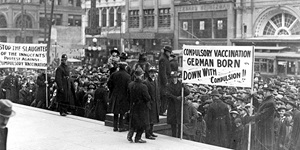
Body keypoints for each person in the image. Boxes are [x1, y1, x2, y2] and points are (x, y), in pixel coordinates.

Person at [127, 67, 151, 143]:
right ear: (141, 76)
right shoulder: (143, 86)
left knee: (133, 122)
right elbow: (147, 98)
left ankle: (130, 134)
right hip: (142, 107)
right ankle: (138, 138)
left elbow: (127, 95)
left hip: (133, 106)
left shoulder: (130, 85)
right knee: (142, 123)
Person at [107, 62, 131, 132]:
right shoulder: (127, 76)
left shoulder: (114, 74)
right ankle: (121, 126)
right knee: (122, 112)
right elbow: (128, 87)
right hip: (123, 96)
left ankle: (115, 127)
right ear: (125, 67)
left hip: (115, 95)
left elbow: (109, 84)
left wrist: (112, 90)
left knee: (115, 111)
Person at [166, 71, 190, 138]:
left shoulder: (180, 85)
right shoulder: (168, 85)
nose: (174, 79)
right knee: (173, 122)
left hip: (180, 105)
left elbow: (187, 93)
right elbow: (167, 94)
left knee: (180, 121)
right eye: (173, 77)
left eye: (175, 77)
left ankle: (179, 135)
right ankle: (174, 136)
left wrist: (184, 87)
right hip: (172, 105)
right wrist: (176, 98)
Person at [143, 66, 160, 140]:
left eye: (154, 72)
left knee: (153, 119)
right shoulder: (146, 82)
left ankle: (151, 132)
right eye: (152, 72)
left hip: (155, 102)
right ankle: (147, 133)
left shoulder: (155, 81)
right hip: (150, 103)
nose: (153, 74)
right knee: (149, 119)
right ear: (149, 73)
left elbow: (157, 92)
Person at [158, 45, 172, 116]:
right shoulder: (163, 59)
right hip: (164, 81)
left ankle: (163, 109)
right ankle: (162, 110)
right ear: (166, 52)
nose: (170, 53)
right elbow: (162, 72)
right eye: (169, 52)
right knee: (164, 95)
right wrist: (166, 82)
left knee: (164, 95)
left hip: (166, 80)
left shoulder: (164, 58)